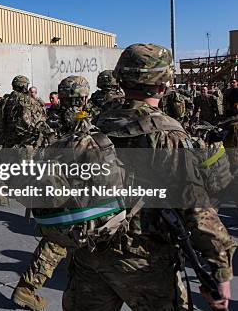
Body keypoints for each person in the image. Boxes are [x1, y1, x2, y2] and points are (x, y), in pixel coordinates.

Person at [68, 44, 235, 311]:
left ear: (121, 79)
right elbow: (197, 208)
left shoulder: (96, 123)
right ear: (163, 84)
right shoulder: (166, 134)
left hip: (89, 253)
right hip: (144, 260)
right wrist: (221, 268)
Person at [11, 76, 91, 311]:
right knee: (61, 241)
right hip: (75, 191)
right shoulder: (82, 121)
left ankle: (29, 288)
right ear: (83, 97)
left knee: (59, 238)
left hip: (51, 187)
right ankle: (26, 290)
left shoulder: (48, 118)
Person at [0, 76, 48, 149]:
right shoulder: (27, 99)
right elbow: (37, 118)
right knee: (25, 159)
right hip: (25, 137)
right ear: (24, 85)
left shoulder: (6, 99)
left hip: (9, 137)